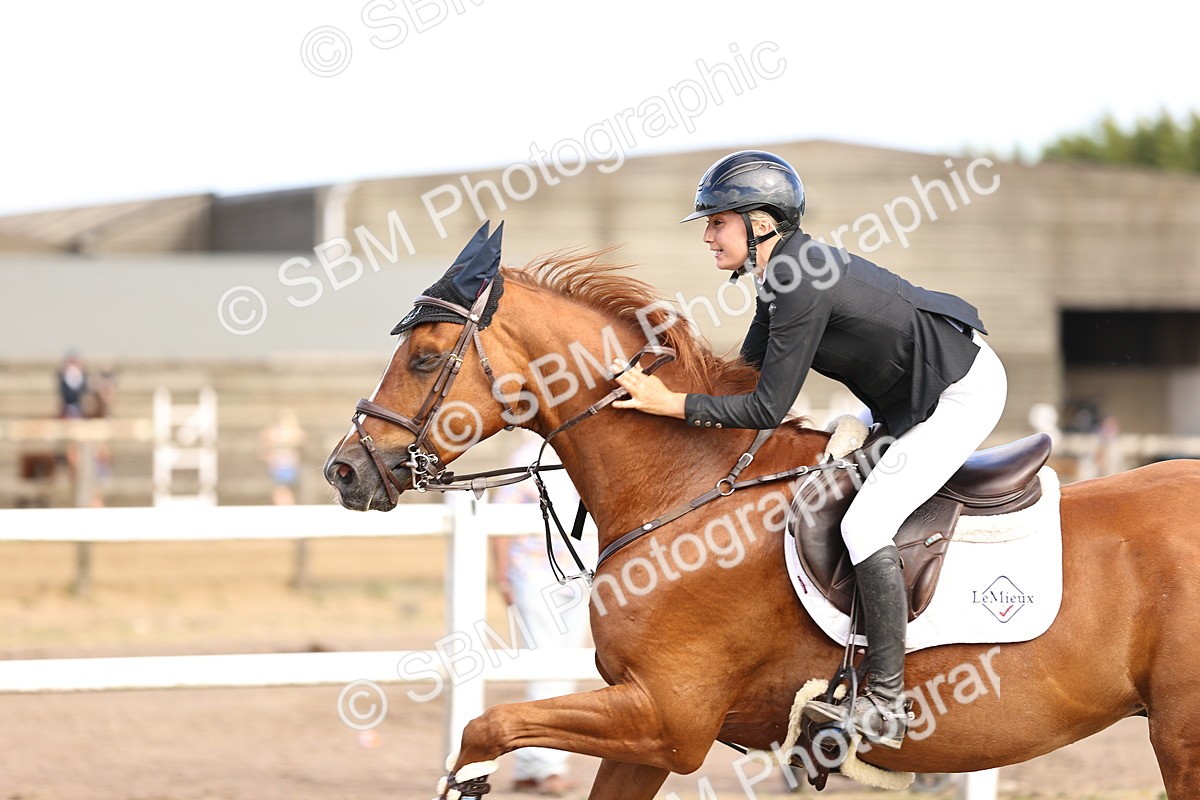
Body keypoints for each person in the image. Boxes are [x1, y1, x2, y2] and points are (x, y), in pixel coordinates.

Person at [612, 150, 1007, 749]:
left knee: (866, 523)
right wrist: (664, 377)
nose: (708, 237)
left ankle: (886, 700)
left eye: (717, 223)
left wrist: (670, 404)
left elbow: (766, 410)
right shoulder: (780, 276)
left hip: (956, 392)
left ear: (760, 223)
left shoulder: (798, 281)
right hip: (904, 397)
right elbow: (746, 376)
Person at [490, 433, 594, 795]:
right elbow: (500, 520)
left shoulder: (584, 453)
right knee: (551, 666)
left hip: (577, 574)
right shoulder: (528, 456)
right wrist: (504, 576)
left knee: (561, 666)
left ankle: (528, 765)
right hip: (535, 572)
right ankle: (547, 766)